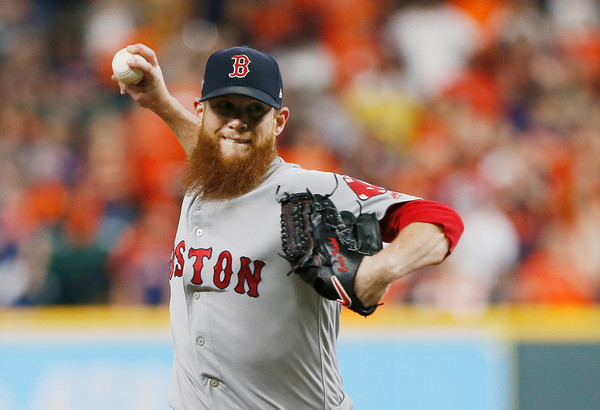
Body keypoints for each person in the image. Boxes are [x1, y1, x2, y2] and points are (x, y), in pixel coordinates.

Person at [114, 43, 464, 410]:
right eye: (224, 108)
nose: (237, 122)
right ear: (200, 112)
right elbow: (218, 147)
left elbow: (440, 221)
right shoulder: (206, 172)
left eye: (254, 111)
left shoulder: (306, 191)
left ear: (279, 122)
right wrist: (161, 103)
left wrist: (377, 271)